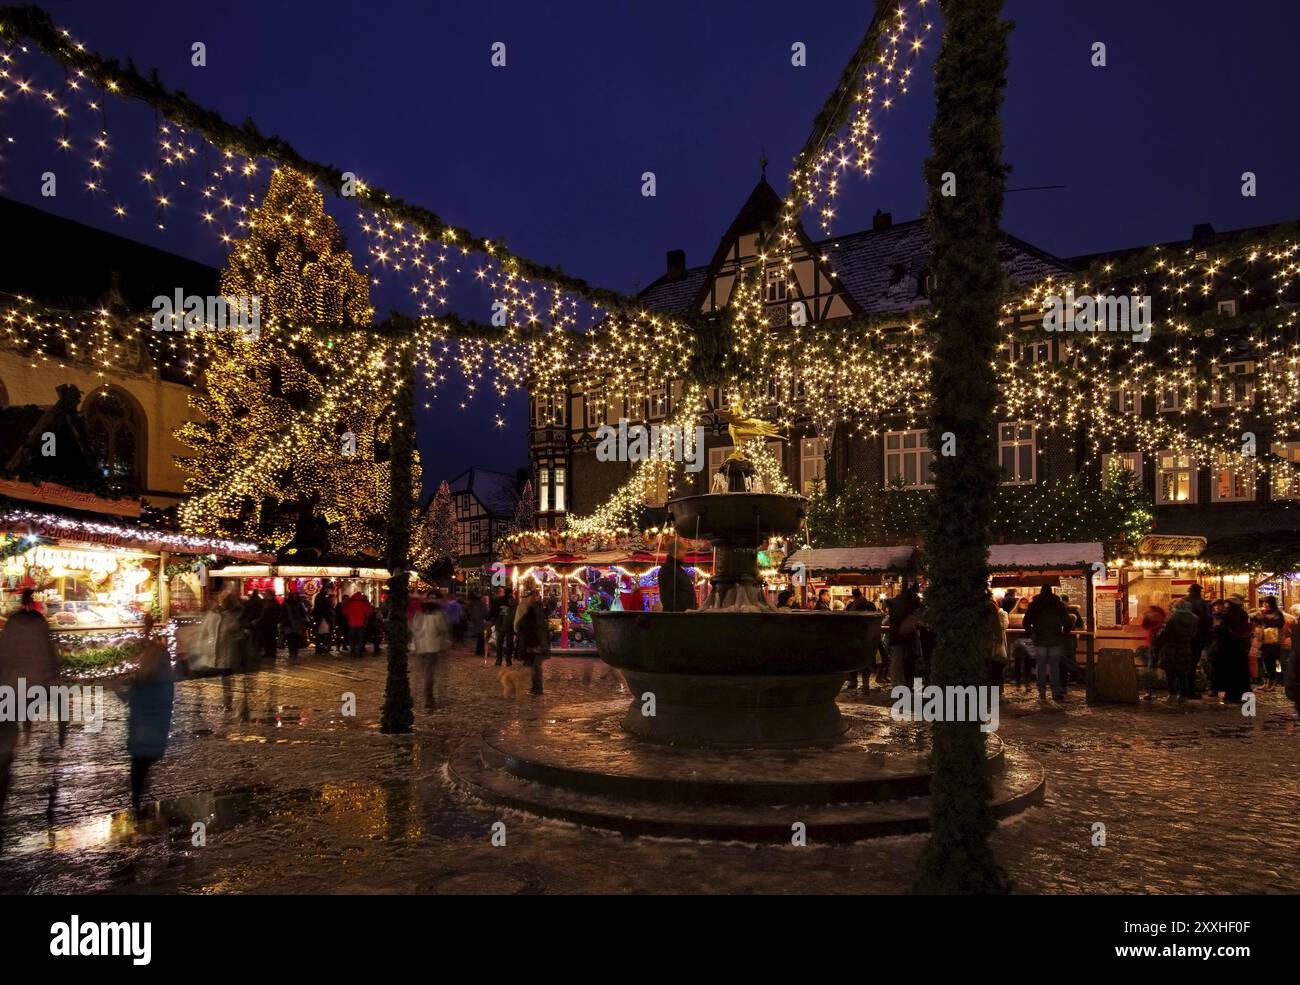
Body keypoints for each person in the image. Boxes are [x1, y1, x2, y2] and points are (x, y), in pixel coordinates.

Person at [0, 588, 60, 816]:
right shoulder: (40, 625)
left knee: (7, 726)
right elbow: (50, 656)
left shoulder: (12, 625)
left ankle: (5, 763)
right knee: (14, 721)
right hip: (33, 687)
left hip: (9, 687)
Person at [125, 615, 174, 811]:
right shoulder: (162, 679)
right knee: (143, 762)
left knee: (140, 762)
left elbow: (131, 697)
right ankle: (137, 795)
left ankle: (137, 794)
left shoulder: (144, 678)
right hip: (154, 728)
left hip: (142, 727)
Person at [1022, 584, 1071, 702]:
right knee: (1055, 667)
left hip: (1039, 639)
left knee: (1041, 667)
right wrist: (1063, 634)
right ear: (1052, 592)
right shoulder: (1059, 605)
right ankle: (1055, 692)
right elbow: (1068, 623)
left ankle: (1042, 693)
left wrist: (1032, 633)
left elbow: (1026, 622)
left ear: (1041, 592)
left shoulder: (1034, 605)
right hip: (1055, 639)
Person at [1154, 598, 1199, 703]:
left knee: (1171, 672)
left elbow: (1164, 634)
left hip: (1172, 648)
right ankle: (1183, 696)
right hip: (1185, 648)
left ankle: (1172, 695)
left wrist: (1158, 637)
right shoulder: (1193, 620)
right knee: (1182, 672)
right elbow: (1193, 635)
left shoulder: (1173, 618)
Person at [411, 600, 450, 710]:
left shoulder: (419, 615)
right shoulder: (438, 615)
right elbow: (442, 629)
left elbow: (414, 629)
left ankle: (421, 695)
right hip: (433, 648)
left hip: (420, 647)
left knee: (422, 672)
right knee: (429, 673)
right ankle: (428, 697)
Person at [1213, 594, 1252, 704]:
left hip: (1228, 648)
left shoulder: (1228, 616)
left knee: (1230, 671)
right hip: (1240, 648)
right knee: (1240, 671)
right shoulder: (1243, 615)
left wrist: (1216, 629)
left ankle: (1231, 694)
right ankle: (1242, 693)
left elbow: (1222, 630)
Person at [885, 584, 921, 686]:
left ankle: (898, 684)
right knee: (915, 661)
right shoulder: (912, 603)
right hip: (909, 636)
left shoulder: (896, 604)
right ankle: (911, 686)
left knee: (898, 661)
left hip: (898, 636)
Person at [514, 589, 549, 694]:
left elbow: (528, 626)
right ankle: (536, 688)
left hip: (535, 642)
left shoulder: (532, 610)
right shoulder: (538, 609)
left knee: (535, 666)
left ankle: (537, 689)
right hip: (538, 641)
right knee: (535, 665)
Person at [843, 588, 878, 690]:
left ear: (854, 596)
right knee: (866, 660)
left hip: (855, 636)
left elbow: (847, 621)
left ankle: (855, 682)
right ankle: (865, 683)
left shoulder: (851, 606)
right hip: (866, 636)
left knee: (854, 660)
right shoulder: (869, 605)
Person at [1184, 583, 1212, 699]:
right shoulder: (1201, 603)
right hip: (1198, 637)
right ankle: (1189, 690)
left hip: (1185, 637)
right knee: (1192, 663)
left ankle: (1183, 689)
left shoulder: (1184, 602)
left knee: (1185, 663)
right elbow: (1207, 620)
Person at [1253, 596, 1285, 689]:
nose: (1264, 604)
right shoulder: (1265, 612)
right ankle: (1266, 682)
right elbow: (1257, 621)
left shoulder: (1277, 613)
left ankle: (1272, 684)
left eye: (1266, 602)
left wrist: (1264, 618)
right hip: (1264, 641)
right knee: (1265, 661)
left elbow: (1279, 624)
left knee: (1271, 662)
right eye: (1263, 603)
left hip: (1273, 641)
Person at [659, 540, 698, 612]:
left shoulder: (676, 568)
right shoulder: (669, 569)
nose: (685, 553)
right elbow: (668, 596)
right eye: (683, 550)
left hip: (684, 613)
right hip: (679, 615)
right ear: (677, 550)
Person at [341, 592, 374, 658]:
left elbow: (344, 612)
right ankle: (359, 652)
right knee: (360, 638)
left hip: (351, 623)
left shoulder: (350, 602)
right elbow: (369, 612)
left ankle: (352, 651)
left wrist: (349, 617)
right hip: (361, 623)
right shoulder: (364, 602)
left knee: (351, 638)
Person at [282, 591, 310, 660]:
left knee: (291, 639)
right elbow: (304, 613)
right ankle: (294, 652)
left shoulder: (286, 603)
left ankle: (292, 652)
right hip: (294, 623)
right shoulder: (298, 604)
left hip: (291, 624)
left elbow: (282, 613)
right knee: (294, 638)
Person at [257, 591, 282, 662]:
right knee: (267, 638)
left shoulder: (273, 603)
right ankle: (268, 652)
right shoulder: (266, 602)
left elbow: (276, 613)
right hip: (266, 623)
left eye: (267, 594)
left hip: (271, 623)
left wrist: (275, 620)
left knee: (270, 638)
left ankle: (271, 652)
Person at [495, 589, 517, 667]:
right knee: (503, 644)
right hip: (504, 627)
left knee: (506, 644)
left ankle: (504, 660)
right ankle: (502, 660)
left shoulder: (513, 606)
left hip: (507, 628)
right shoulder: (507, 605)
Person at [312, 587, 336, 655]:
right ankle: (324, 647)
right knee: (325, 634)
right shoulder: (324, 598)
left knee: (321, 634)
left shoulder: (319, 597)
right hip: (324, 618)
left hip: (321, 618)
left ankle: (321, 648)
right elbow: (327, 608)